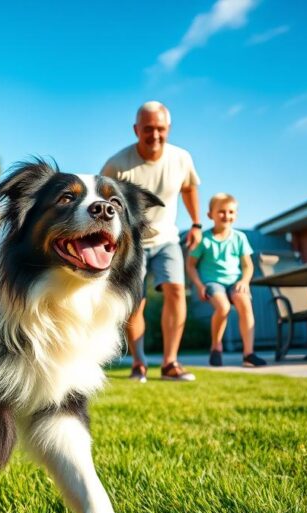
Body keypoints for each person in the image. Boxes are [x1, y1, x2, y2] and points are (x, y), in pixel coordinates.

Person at [101, 101, 202, 382]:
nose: (155, 135)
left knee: (176, 291)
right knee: (136, 301)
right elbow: (100, 199)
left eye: (160, 129)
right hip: (132, 243)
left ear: (168, 129)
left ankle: (170, 363)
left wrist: (196, 223)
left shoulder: (181, 158)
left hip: (168, 237)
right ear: (136, 130)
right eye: (148, 129)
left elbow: (189, 187)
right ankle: (139, 363)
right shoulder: (117, 164)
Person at [187, 193, 267, 368]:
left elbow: (247, 266)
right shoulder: (204, 239)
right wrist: (199, 285)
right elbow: (191, 265)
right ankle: (216, 346)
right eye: (221, 212)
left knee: (244, 302)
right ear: (211, 215)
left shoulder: (240, 238)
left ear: (236, 215)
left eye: (231, 212)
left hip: (235, 281)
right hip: (212, 282)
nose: (226, 215)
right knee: (223, 308)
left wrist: (244, 281)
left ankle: (248, 354)